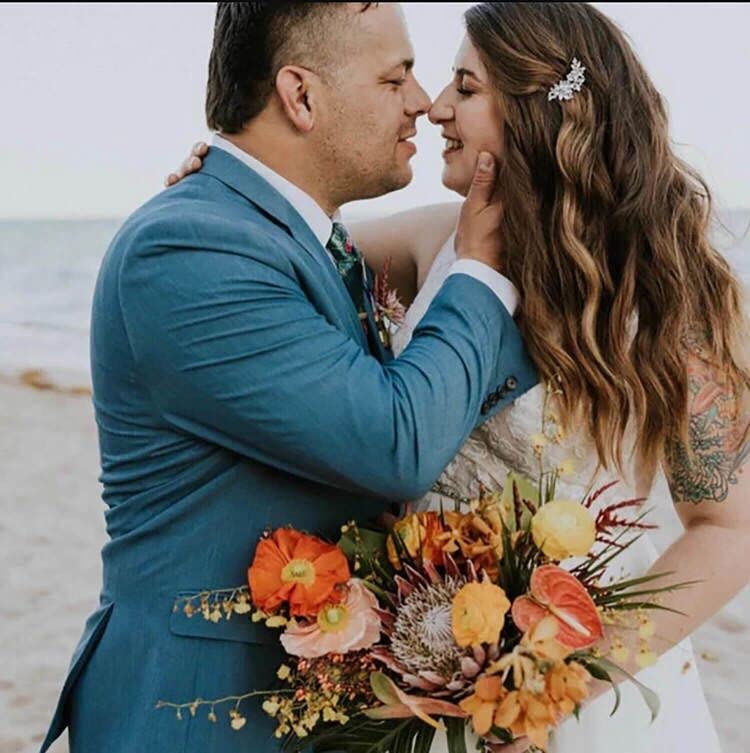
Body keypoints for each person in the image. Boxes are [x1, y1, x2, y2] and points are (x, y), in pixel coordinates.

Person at [174, 2, 750, 753]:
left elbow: (727, 531)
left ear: (540, 112)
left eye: (466, 88)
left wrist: (564, 679)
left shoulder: (669, 293)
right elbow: (282, 256)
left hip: (585, 686)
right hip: (428, 676)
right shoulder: (434, 243)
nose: (436, 107)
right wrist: (227, 187)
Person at [38, 4, 538, 752]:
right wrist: (481, 268)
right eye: (394, 77)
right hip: (195, 715)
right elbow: (395, 441)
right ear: (300, 95)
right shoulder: (187, 247)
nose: (421, 101)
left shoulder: (295, 237)